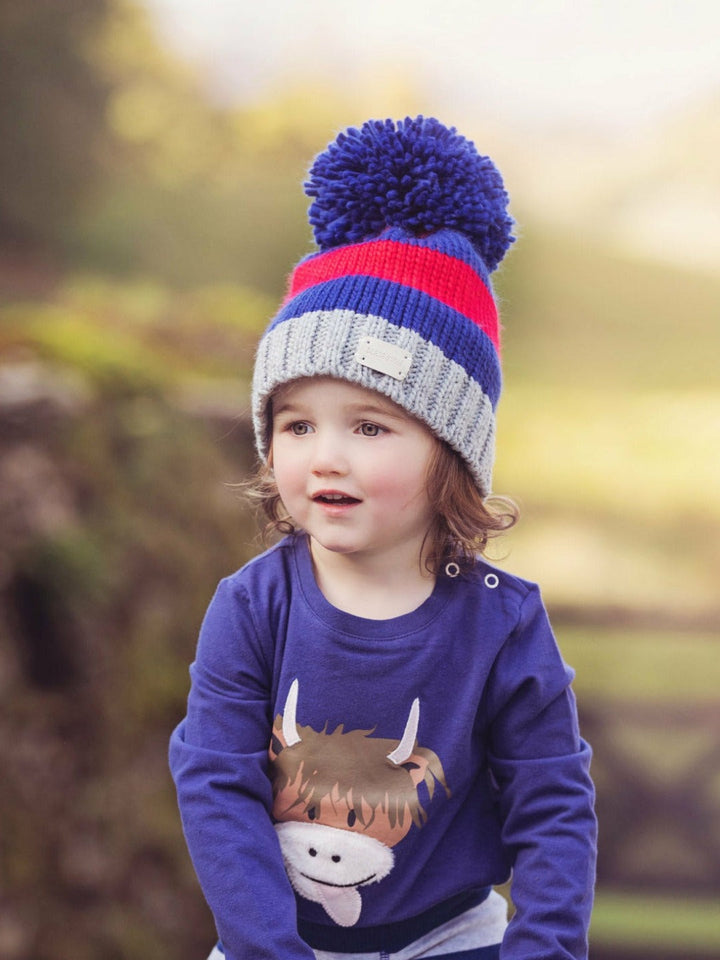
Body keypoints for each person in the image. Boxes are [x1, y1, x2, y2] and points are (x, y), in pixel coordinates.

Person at [170, 116, 597, 960]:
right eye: (295, 425)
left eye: (369, 428)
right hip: (273, 944)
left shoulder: (502, 625)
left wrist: (543, 947)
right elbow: (217, 787)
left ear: (452, 454)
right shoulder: (252, 607)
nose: (324, 455)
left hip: (452, 940)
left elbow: (552, 803)